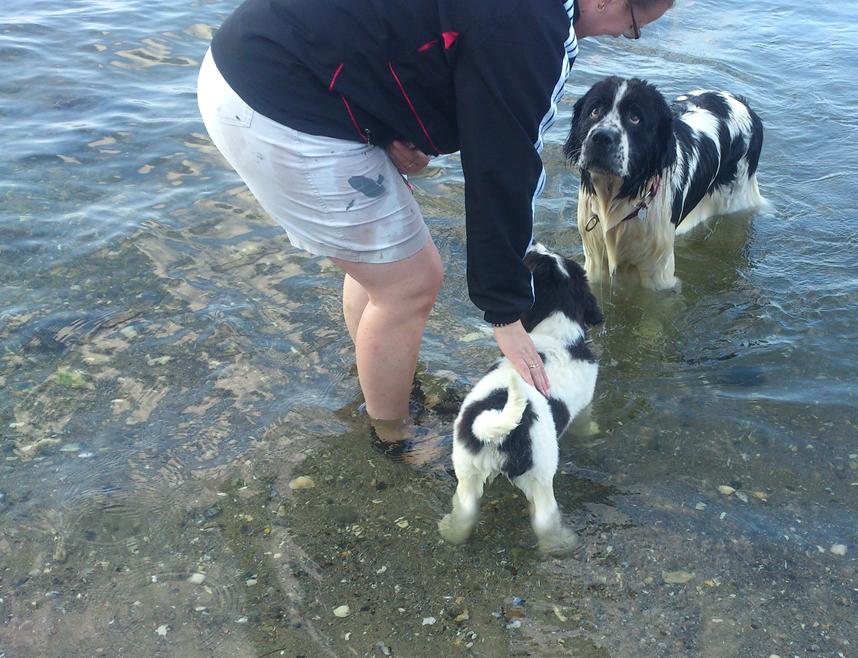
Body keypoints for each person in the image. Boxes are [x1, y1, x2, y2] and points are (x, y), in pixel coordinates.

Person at [197, 0, 675, 442]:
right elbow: (503, 167)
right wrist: (505, 311)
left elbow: (405, 29)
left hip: (265, 59)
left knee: (383, 267)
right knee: (409, 283)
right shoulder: (532, 26)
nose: (621, 35)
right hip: (277, 95)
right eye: (632, 26)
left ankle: (386, 385)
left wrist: (390, 122)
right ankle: (394, 440)